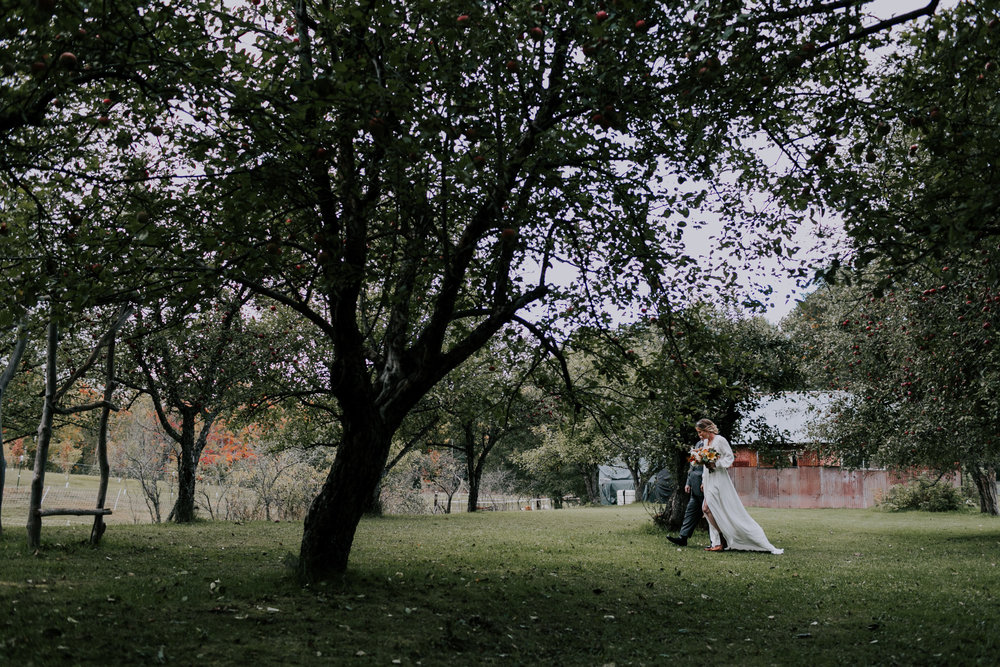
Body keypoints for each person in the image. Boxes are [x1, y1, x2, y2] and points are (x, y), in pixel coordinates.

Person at [695, 418, 783, 555]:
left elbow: (729, 458)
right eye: (698, 433)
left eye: (700, 432)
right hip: (708, 479)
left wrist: (716, 464)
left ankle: (724, 536)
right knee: (709, 509)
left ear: (707, 429)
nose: (699, 435)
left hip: (719, 479)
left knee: (706, 508)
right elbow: (705, 467)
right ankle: (718, 541)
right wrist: (703, 480)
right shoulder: (705, 442)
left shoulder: (720, 440)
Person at [666, 452, 705, 547]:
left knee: (711, 513)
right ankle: (683, 538)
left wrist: (705, 481)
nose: (699, 436)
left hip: (704, 486)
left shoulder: (710, 445)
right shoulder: (697, 445)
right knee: (690, 512)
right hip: (694, 487)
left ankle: (718, 540)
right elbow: (691, 467)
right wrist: (688, 482)